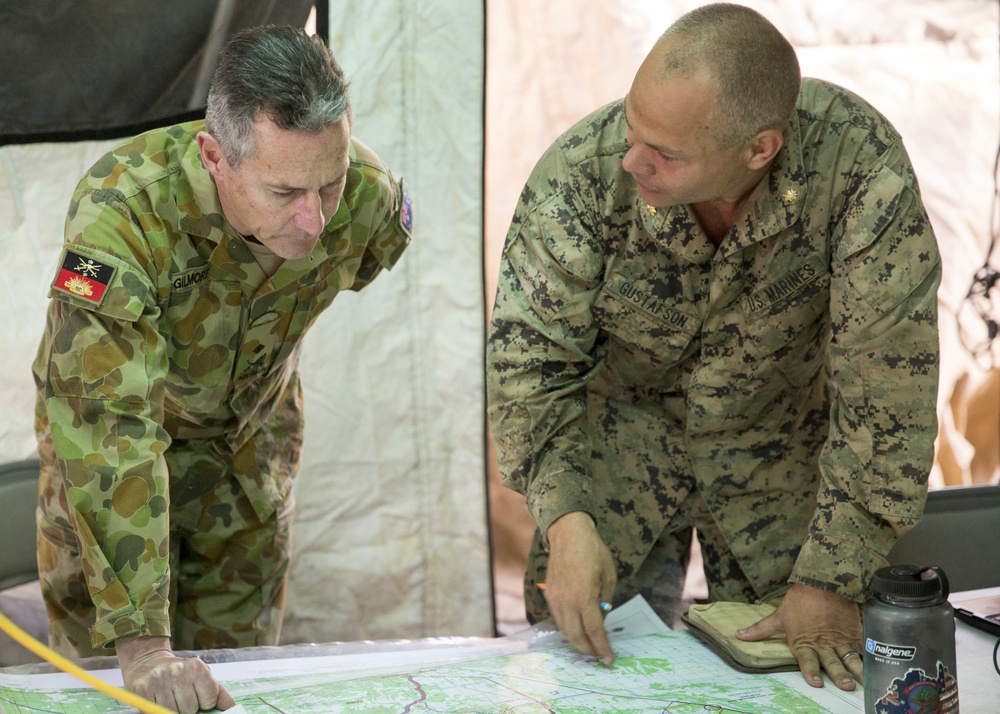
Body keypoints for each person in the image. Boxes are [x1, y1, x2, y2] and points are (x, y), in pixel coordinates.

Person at [487, 2, 939, 693]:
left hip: (782, 462)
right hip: (614, 456)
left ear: (759, 148)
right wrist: (565, 518)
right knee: (583, 681)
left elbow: (887, 396)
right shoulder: (585, 171)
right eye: (633, 129)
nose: (632, 159)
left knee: (803, 679)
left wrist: (831, 572)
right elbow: (528, 367)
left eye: (664, 153)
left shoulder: (857, 172)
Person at [33, 25, 411, 713]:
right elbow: (110, 426)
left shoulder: (369, 203)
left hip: (246, 467)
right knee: (104, 689)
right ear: (215, 157)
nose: (315, 221)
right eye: (283, 192)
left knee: (238, 685)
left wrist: (323, 193)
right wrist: (143, 647)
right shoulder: (125, 213)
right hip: (114, 470)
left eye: (330, 183)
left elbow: (370, 241)